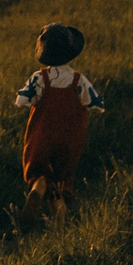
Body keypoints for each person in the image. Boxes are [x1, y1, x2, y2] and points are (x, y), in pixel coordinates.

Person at [13, 22, 104, 221]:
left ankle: (38, 186)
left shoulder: (39, 78)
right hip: (71, 134)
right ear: (71, 53)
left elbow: (22, 101)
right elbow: (96, 103)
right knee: (62, 177)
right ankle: (59, 214)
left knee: (37, 168)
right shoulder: (78, 80)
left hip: (43, 132)